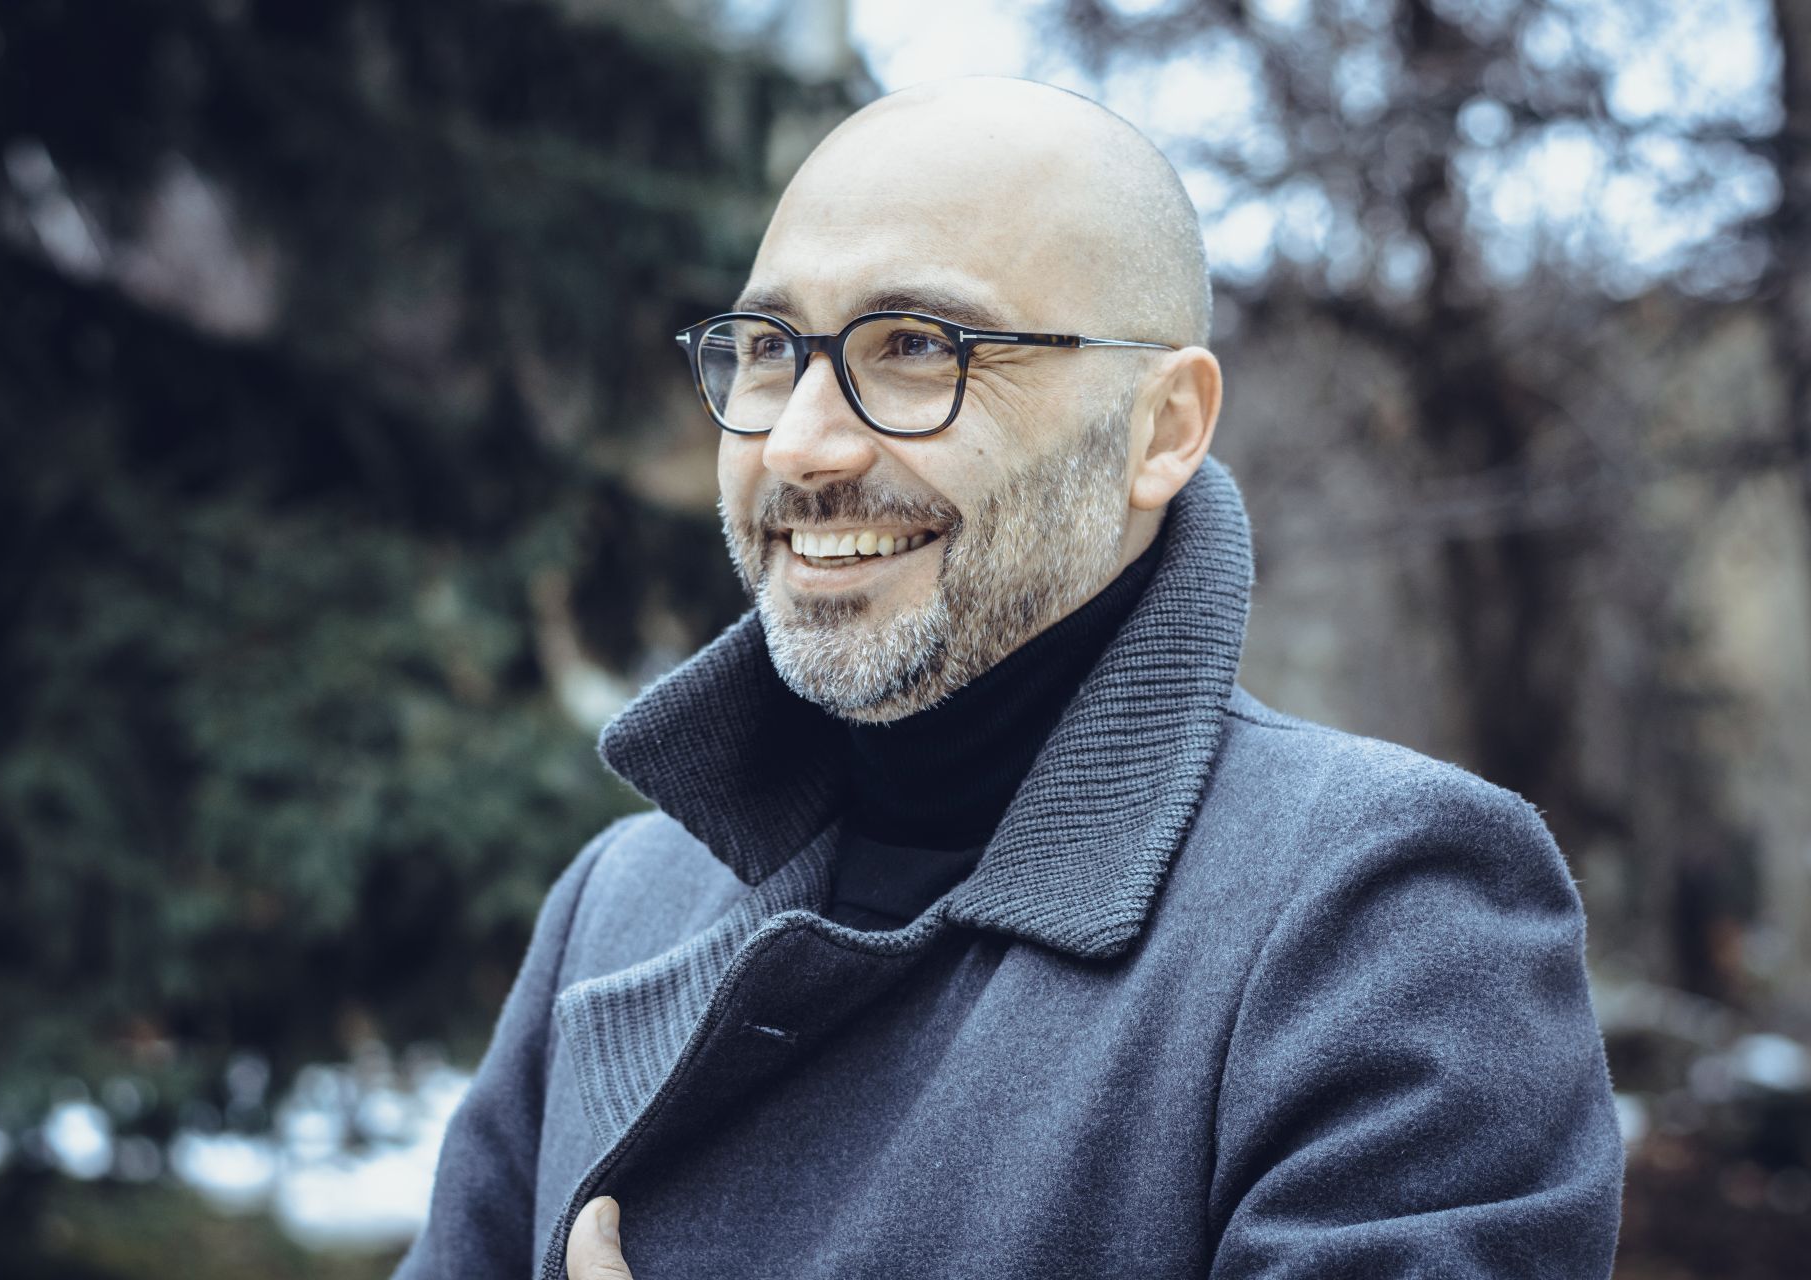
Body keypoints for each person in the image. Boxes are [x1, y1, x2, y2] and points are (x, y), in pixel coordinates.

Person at [394, 76, 1625, 1280]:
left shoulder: (1380, 908)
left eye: (916, 346)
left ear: (1162, 428)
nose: (801, 443)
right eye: (769, 349)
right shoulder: (621, 899)